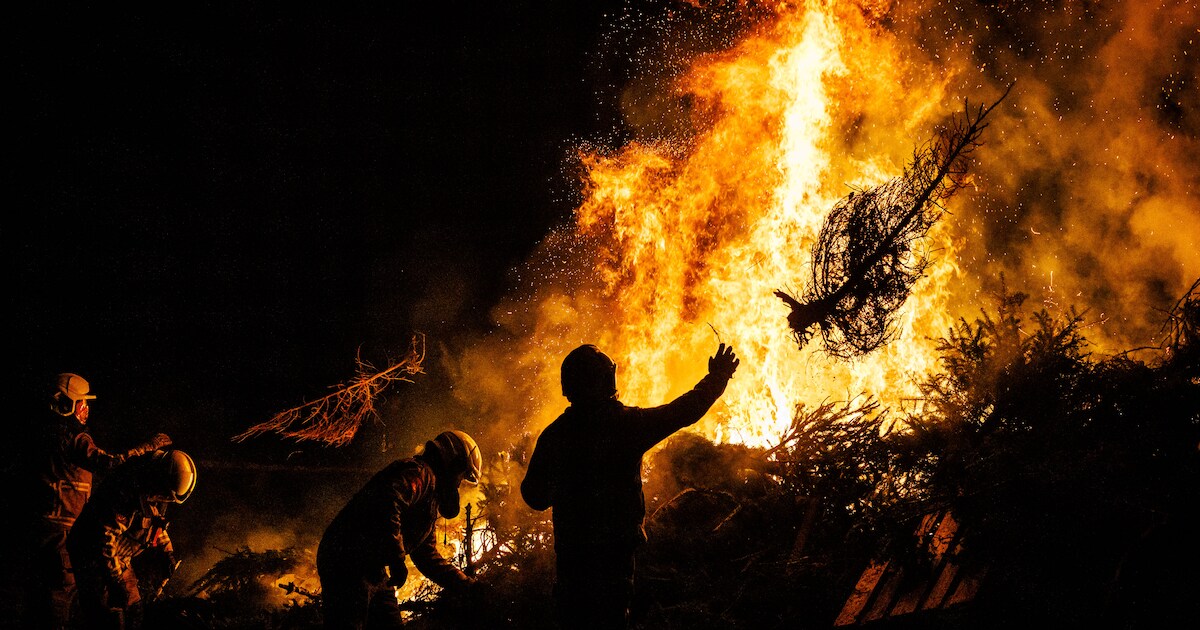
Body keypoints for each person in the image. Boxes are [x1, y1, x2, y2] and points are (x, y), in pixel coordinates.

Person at [521, 342, 740, 629]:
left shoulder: (555, 435)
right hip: (614, 559)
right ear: (605, 381)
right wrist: (717, 378)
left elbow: (534, 496)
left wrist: (567, 486)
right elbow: (683, 411)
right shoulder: (625, 425)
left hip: (573, 562)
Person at [25, 373, 172, 630]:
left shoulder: (40, 435)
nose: (86, 408)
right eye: (83, 402)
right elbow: (111, 463)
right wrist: (148, 448)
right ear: (68, 405)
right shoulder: (74, 439)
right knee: (62, 598)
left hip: (43, 529)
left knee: (46, 596)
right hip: (65, 532)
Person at [316, 429, 483, 629]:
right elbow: (389, 500)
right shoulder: (419, 473)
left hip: (371, 567)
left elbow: (427, 556)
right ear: (453, 463)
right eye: (462, 475)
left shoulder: (429, 497)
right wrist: (396, 559)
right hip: (346, 558)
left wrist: (468, 586)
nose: (458, 483)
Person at [65, 448, 196, 630]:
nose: (166, 499)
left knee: (134, 613)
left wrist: (167, 552)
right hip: (91, 555)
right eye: (166, 495)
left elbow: (153, 524)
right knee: (110, 619)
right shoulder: (124, 491)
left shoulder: (150, 488)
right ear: (160, 480)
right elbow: (104, 539)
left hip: (118, 557)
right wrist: (115, 581)